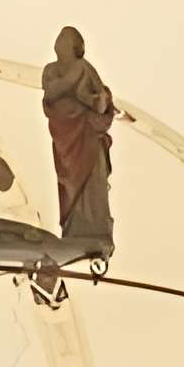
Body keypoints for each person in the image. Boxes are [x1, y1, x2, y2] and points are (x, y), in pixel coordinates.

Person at [40, 26, 116, 251]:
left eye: (65, 38)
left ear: (75, 46)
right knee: (71, 182)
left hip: (87, 132)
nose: (59, 41)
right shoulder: (52, 70)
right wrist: (77, 83)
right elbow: (52, 91)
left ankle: (95, 229)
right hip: (67, 135)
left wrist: (99, 101)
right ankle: (74, 228)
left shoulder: (84, 67)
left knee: (93, 181)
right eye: (59, 38)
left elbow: (101, 96)